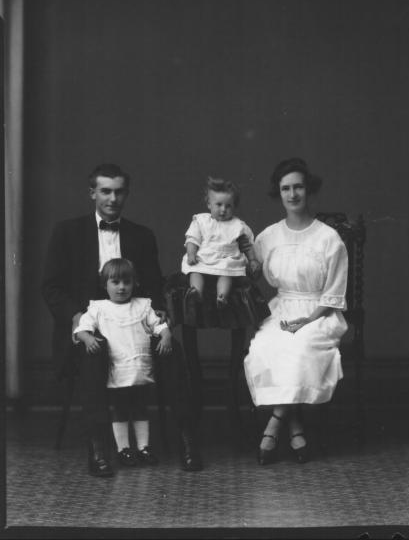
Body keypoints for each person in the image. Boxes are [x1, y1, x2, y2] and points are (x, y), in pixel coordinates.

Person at [42, 163, 202, 477]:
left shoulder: (141, 235)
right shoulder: (67, 232)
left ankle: (187, 439)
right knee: (94, 354)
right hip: (91, 327)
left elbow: (154, 288)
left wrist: (160, 316)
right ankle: (98, 447)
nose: (112, 198)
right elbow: (51, 287)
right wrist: (77, 318)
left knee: (172, 353)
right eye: (105, 191)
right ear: (92, 193)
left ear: (126, 194)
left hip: (134, 326)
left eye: (118, 191)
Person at [243, 158, 348, 465]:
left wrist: (309, 320)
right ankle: (296, 426)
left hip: (319, 312)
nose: (292, 194)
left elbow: (334, 294)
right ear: (279, 193)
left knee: (299, 346)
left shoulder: (328, 238)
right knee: (265, 347)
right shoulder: (268, 236)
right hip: (281, 309)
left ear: (308, 189)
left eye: (298, 186)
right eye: (285, 188)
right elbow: (251, 271)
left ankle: (274, 423)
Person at [74, 258, 172, 468]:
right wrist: (88, 338)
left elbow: (158, 326)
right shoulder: (99, 308)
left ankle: (144, 448)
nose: (121, 287)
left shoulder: (143, 306)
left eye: (127, 282)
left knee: (140, 408)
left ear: (134, 283)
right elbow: (82, 329)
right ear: (105, 285)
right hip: (117, 368)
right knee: (119, 409)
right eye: (115, 282)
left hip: (139, 367)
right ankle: (123, 449)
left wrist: (166, 336)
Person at [181, 176, 260, 311]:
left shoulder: (238, 225)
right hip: (204, 257)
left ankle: (222, 296)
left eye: (228, 206)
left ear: (234, 206)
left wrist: (252, 259)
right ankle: (196, 292)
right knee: (194, 270)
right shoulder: (201, 221)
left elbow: (246, 245)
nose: (223, 210)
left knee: (227, 271)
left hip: (226, 257)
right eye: (219, 205)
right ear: (209, 204)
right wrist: (191, 254)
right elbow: (192, 239)